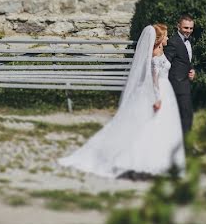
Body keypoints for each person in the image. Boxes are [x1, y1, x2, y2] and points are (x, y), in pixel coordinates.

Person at [58, 23, 185, 178]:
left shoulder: (161, 50)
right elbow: (154, 80)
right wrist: (157, 98)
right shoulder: (153, 55)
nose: (167, 37)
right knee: (154, 125)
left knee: (164, 126)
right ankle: (147, 160)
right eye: (165, 35)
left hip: (167, 91)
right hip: (161, 92)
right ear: (159, 39)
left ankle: (165, 160)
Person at [163, 14, 195, 135]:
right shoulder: (173, 42)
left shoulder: (188, 41)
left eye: (191, 28)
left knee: (183, 114)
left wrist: (191, 70)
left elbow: (185, 60)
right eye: (186, 28)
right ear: (178, 26)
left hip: (184, 82)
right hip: (177, 84)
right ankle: (185, 142)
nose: (188, 31)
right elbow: (165, 63)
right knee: (186, 114)